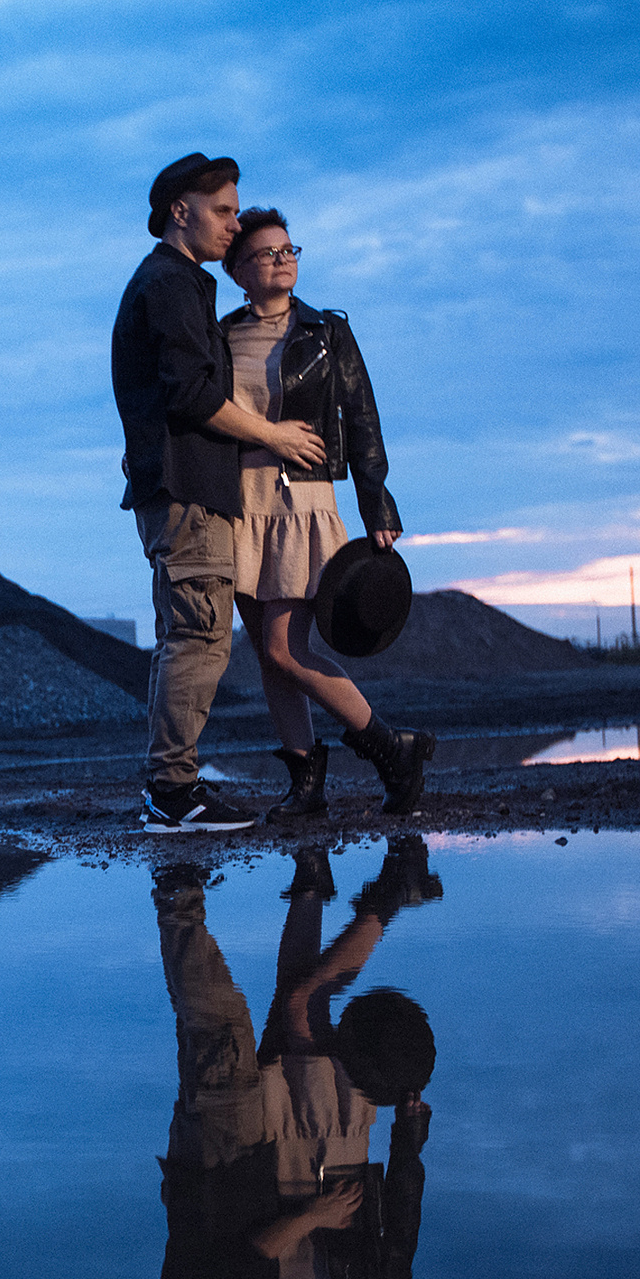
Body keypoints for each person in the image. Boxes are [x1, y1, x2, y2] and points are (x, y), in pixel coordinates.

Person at [154, 840, 440, 1279]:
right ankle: (315, 877)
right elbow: (402, 1211)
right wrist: (408, 1139)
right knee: (289, 1004)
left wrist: (310, 1211)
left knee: (234, 1025)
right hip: (269, 1157)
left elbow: (239, 1257)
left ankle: (181, 889)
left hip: (233, 1165)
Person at [111, 154, 329, 833]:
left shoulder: (175, 283)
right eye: (225, 211)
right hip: (185, 486)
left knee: (185, 635)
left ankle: (169, 787)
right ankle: (174, 793)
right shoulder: (173, 284)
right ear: (183, 211)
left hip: (175, 486)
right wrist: (274, 434)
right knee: (200, 637)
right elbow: (195, 395)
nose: (235, 225)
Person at [216, 207, 437, 820]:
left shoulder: (326, 332)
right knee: (267, 652)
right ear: (237, 270)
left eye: (290, 249)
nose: (284, 259)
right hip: (241, 503)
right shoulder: (222, 336)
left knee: (287, 648)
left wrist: (377, 501)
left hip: (301, 499)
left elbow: (362, 416)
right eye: (267, 252)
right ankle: (306, 784)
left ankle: (392, 747)